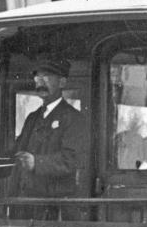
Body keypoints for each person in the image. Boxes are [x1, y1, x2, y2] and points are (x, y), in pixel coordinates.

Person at [8, 56, 88, 199]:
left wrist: (36, 162)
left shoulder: (73, 118)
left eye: (46, 77)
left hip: (54, 206)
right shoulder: (32, 118)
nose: (40, 82)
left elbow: (70, 161)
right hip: (26, 202)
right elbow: (16, 152)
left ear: (62, 82)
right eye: (38, 78)